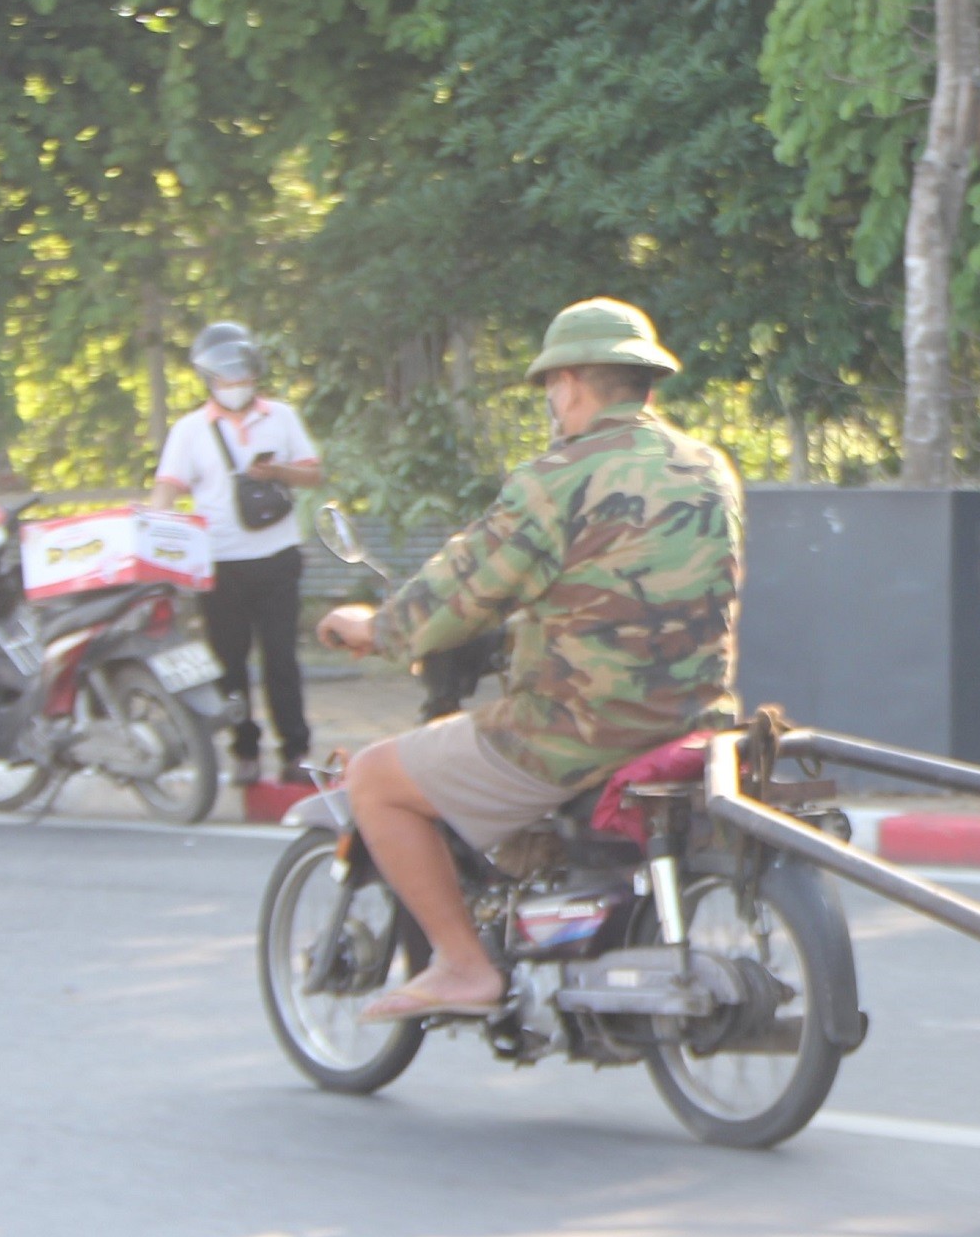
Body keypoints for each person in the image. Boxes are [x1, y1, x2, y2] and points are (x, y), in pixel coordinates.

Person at [315, 299, 743, 1022]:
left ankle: (459, 964)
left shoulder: (556, 479)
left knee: (375, 778)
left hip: (575, 732)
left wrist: (376, 629)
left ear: (571, 385)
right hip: (694, 719)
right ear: (644, 384)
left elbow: (462, 591)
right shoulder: (709, 469)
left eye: (553, 388)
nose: (552, 405)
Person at [152, 321, 324, 787]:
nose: (235, 384)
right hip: (220, 562)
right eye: (225, 377)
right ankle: (243, 751)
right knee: (228, 662)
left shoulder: (281, 416)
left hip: (277, 555)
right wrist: (151, 534)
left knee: (281, 660)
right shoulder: (189, 430)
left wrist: (277, 471)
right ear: (209, 379)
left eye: (242, 374)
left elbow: (313, 475)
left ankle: (296, 751)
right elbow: (168, 486)